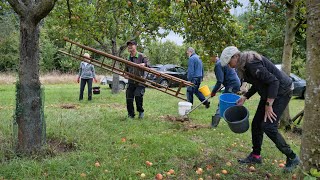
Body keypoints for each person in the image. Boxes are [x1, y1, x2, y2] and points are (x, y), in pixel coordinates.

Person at [220, 46, 300, 172]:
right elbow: (259, 83)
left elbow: (274, 81)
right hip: (269, 91)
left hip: (281, 91)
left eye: (229, 62)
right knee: (257, 124)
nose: (230, 66)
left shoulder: (251, 63)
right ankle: (256, 156)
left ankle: (292, 157)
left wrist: (269, 105)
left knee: (269, 126)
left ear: (235, 56)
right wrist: (245, 96)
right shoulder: (244, 66)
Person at [210, 53, 241, 127]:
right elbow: (224, 78)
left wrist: (213, 92)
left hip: (232, 85)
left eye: (210, 57)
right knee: (231, 103)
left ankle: (214, 125)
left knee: (223, 103)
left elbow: (219, 81)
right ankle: (236, 121)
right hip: (233, 83)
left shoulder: (218, 64)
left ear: (214, 57)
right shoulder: (223, 62)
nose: (210, 60)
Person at [125, 40, 150, 119]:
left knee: (138, 96)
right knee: (129, 98)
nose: (129, 47)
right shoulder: (128, 58)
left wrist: (144, 64)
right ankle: (130, 115)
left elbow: (149, 65)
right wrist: (126, 74)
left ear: (135, 46)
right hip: (131, 81)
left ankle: (140, 111)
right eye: (128, 45)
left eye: (131, 45)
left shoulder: (142, 56)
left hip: (140, 81)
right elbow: (126, 70)